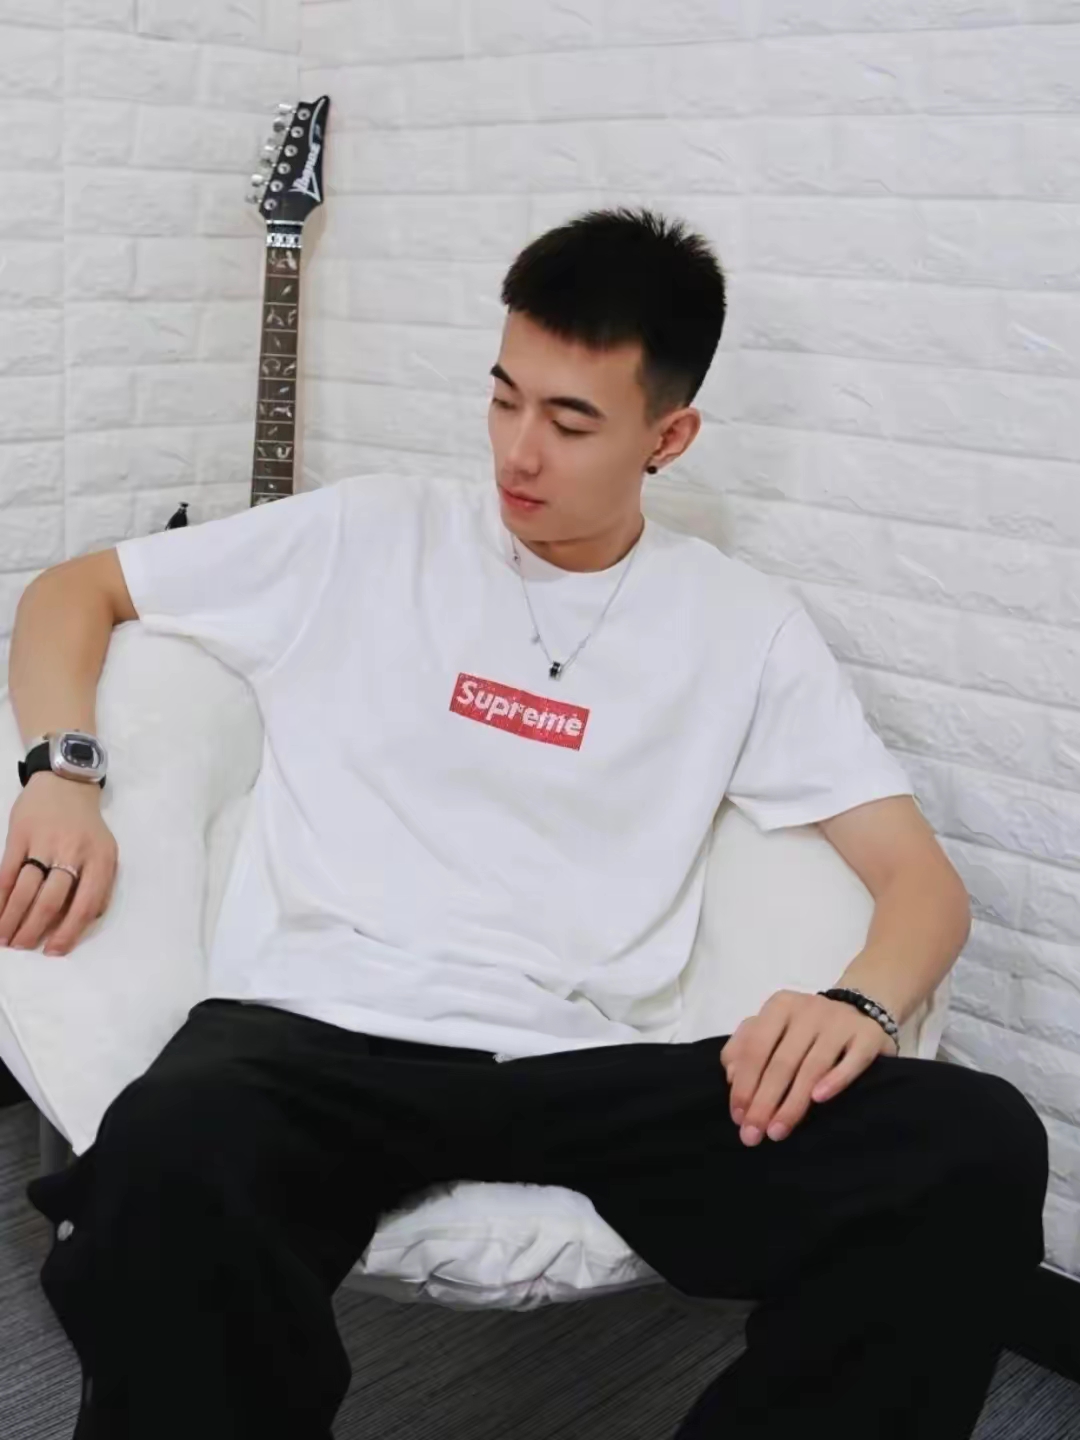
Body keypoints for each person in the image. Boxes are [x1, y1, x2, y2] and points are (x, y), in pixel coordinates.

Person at [2, 206, 1048, 1440]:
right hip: (315, 1033)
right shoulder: (368, 533)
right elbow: (77, 590)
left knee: (973, 1144)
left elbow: (923, 886)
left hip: (581, 1060)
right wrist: (62, 774)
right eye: (504, 399)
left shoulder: (738, 625)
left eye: (570, 421)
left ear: (670, 436)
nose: (519, 452)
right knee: (161, 1164)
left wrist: (859, 1004)